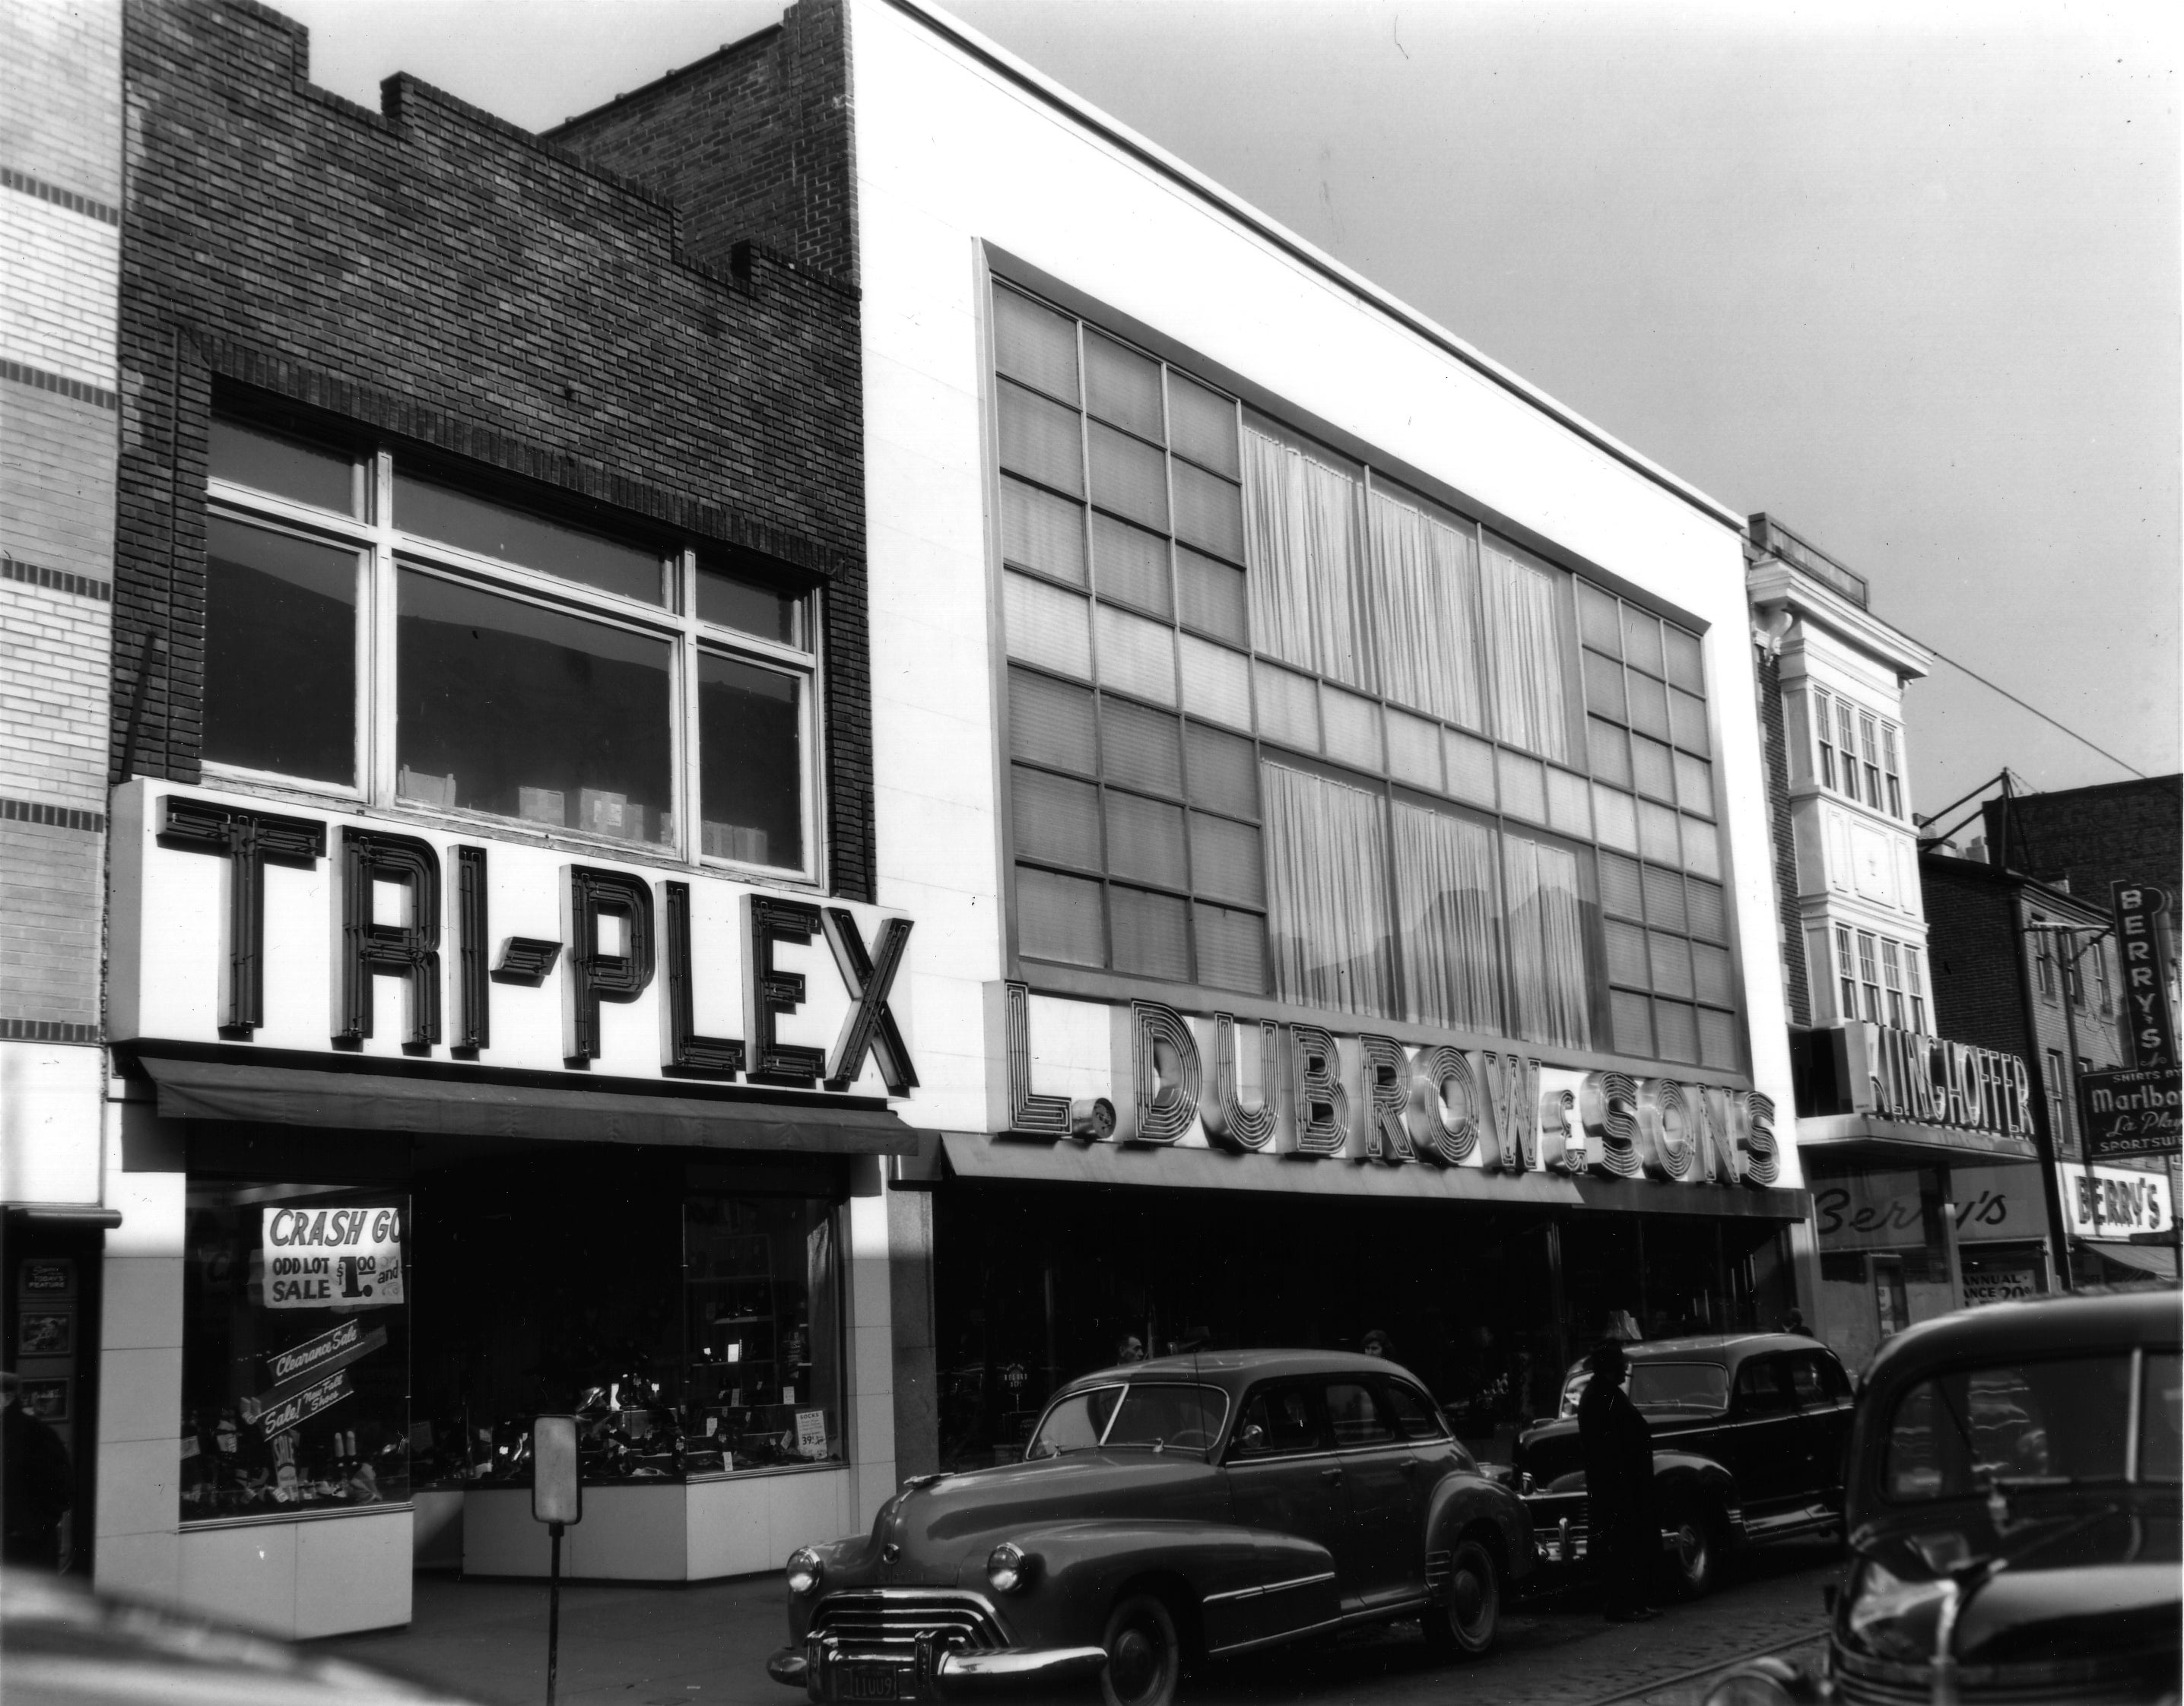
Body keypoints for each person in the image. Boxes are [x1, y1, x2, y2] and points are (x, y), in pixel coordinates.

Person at [1577, 1340, 1658, 1623]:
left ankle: (1634, 1602)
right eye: (1621, 1364)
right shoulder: (1602, 1396)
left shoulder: (1605, 1393)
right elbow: (1613, 1443)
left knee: (1627, 1546)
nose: (1625, 1368)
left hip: (1620, 1485)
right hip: (1614, 1487)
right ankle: (1621, 1605)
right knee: (1619, 1548)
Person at [3, 1370, 74, 1569]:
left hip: (26, 1549)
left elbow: (62, 1490)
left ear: (7, 1398)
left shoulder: (36, 1435)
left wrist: (27, 1528)